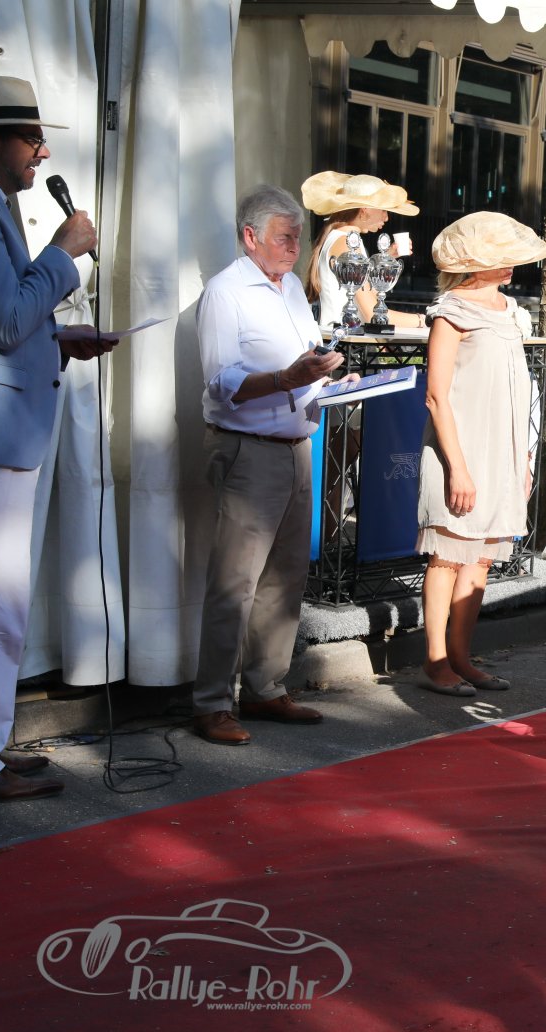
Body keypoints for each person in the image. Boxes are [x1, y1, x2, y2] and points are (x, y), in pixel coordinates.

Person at [0, 75, 110, 801]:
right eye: (32, 138)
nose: (43, 152)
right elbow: (6, 318)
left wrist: (60, 339)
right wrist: (63, 252)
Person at [192, 185, 346, 745]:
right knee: (235, 581)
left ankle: (265, 687)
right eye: (285, 237)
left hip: (296, 443)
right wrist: (288, 378)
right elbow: (222, 382)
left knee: (285, 576)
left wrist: (330, 379)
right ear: (250, 236)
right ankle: (212, 703)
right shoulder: (225, 293)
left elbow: (305, 363)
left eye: (298, 237)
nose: (294, 247)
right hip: (247, 448)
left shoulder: (292, 291)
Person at [413, 212, 546, 696]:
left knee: (481, 559)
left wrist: (523, 458)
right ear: (474, 262)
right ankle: (435, 662)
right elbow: (436, 396)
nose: (511, 265)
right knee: (447, 556)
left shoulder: (511, 310)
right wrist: (458, 469)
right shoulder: (451, 311)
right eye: (500, 257)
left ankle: (462, 658)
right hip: (460, 451)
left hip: (501, 451)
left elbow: (518, 391)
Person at [301, 170, 424, 330]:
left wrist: (387, 258)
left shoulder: (339, 237)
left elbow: (363, 294)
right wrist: (423, 320)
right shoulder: (348, 242)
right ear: (365, 209)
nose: (386, 217)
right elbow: (372, 313)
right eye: (383, 210)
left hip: (341, 336)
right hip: (344, 339)